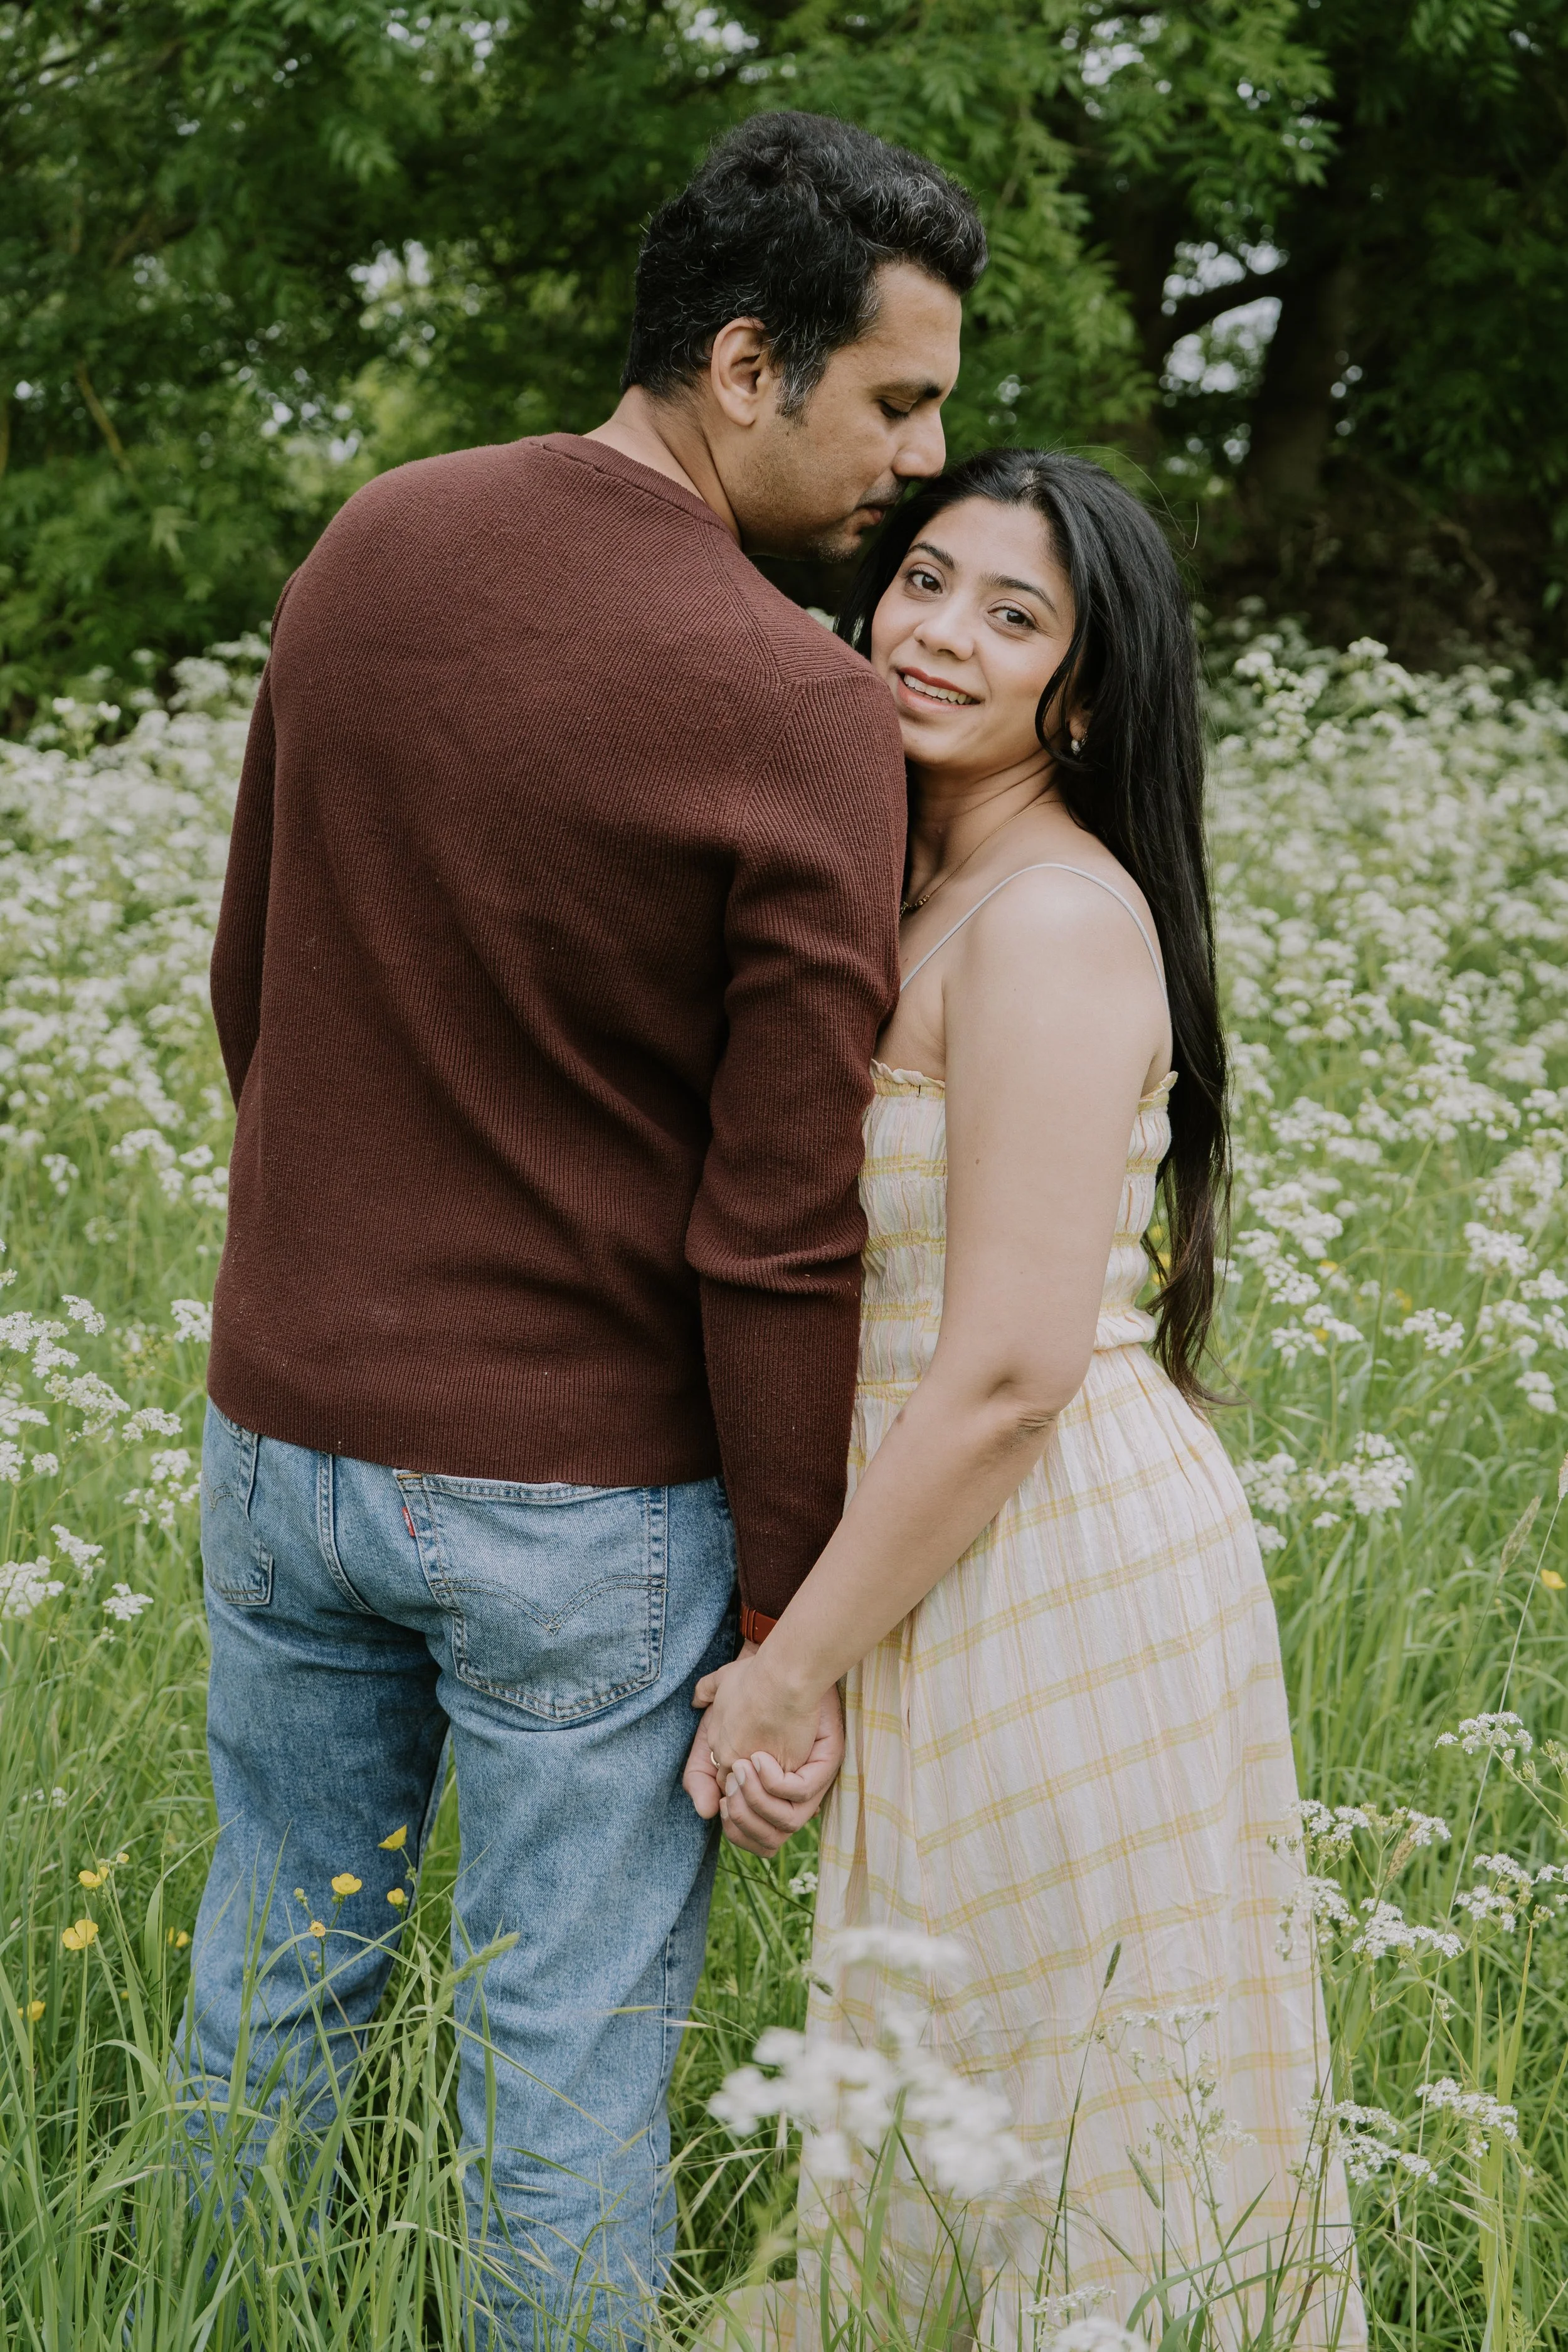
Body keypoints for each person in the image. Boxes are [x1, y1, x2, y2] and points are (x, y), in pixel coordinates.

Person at [181, 113, 985, 2350]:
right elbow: (774, 1221)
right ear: (748, 360)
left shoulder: (375, 540)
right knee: (563, 2066)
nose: (919, 458)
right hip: (581, 1509)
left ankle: (192, 2309)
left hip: (284, 1434)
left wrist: (348, 1283)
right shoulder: (799, 704)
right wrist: (782, 1597)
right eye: (892, 398)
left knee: (273, 1976)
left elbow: (253, 976)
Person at [694, 451, 1365, 2346]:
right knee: (947, 2080)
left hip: (1040, 1546)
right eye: (924, 579)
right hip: (941, 1543)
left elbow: (1002, 1371)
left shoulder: (1054, 921)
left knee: (1074, 2105)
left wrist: (785, 1666)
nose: (938, 634)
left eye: (1012, 616)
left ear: (1083, 691)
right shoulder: (917, 878)